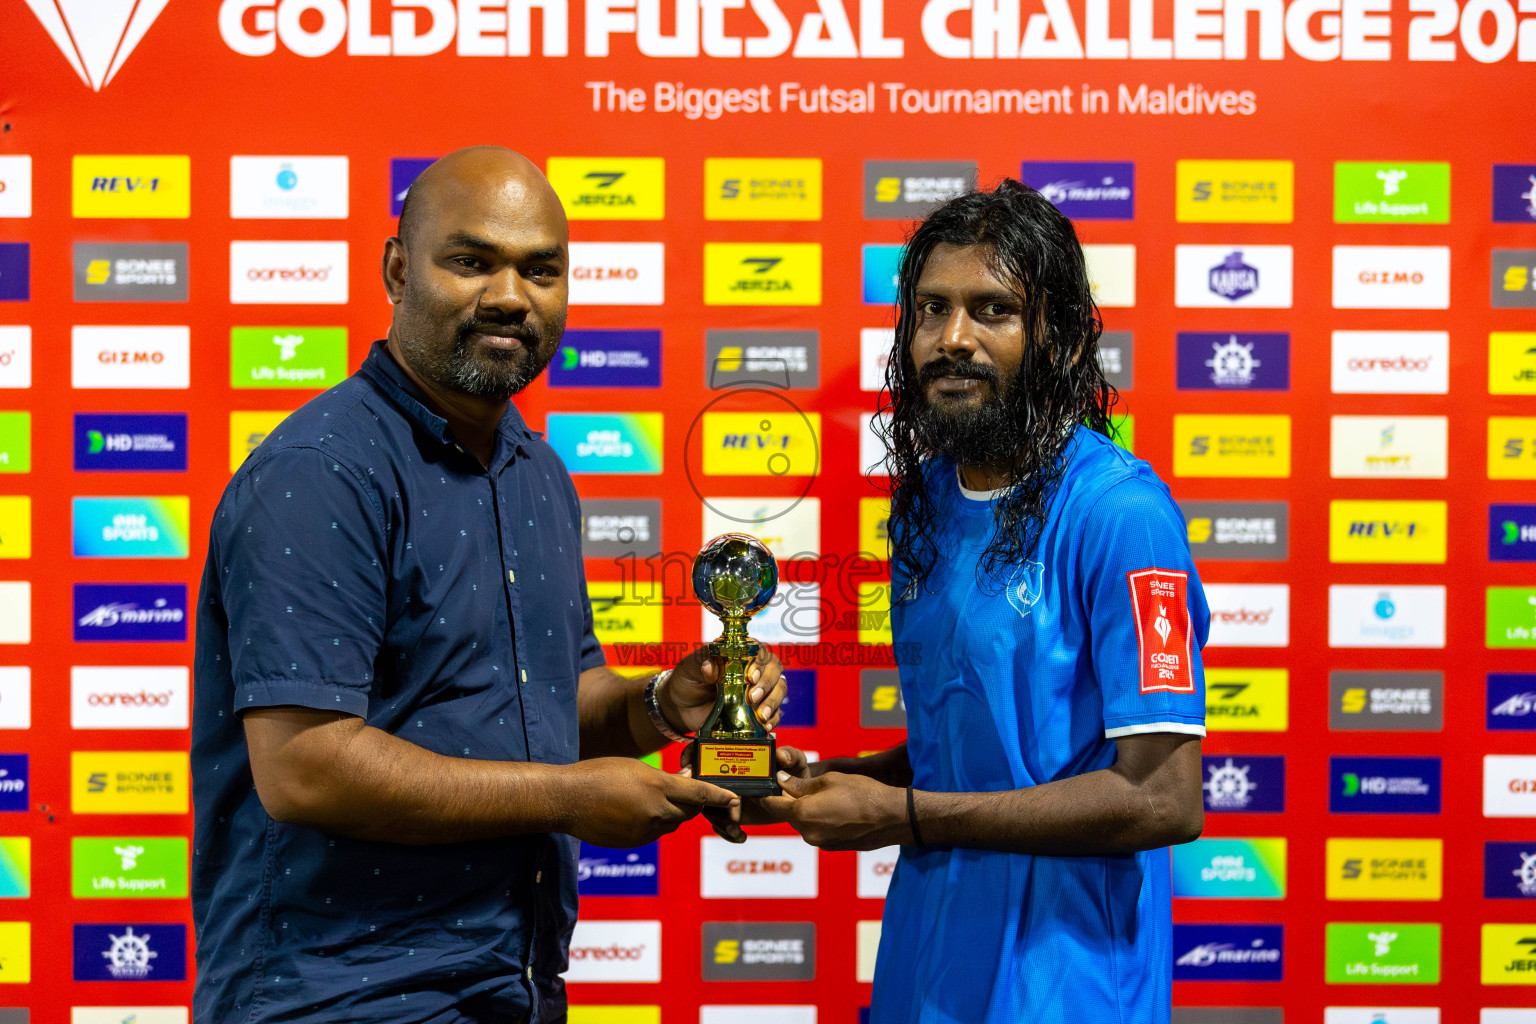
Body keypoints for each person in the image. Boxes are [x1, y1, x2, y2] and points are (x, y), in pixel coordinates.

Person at [190, 146, 786, 1024]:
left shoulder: (537, 472)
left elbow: (557, 702)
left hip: (513, 983)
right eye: (471, 261)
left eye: (540, 270)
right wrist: (569, 798)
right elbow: (306, 767)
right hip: (337, 994)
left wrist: (665, 703)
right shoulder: (322, 471)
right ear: (399, 269)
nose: (510, 295)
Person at [761, 180, 1209, 1023]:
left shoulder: (1124, 516)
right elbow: (996, 741)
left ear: (1064, 339)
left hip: (1065, 981)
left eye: (992, 310)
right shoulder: (926, 501)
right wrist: (852, 780)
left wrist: (904, 814)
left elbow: (1162, 796)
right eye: (932, 309)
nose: (952, 338)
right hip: (926, 956)